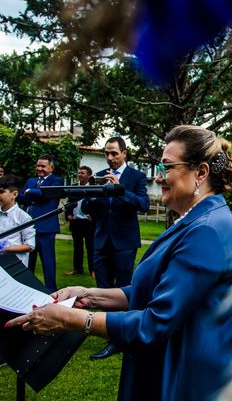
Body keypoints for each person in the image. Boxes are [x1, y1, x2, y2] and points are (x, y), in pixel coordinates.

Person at [6, 125, 232, 401]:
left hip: (188, 379)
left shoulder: (207, 230)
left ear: (201, 173)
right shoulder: (197, 219)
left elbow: (155, 323)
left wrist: (71, 319)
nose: (158, 178)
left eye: (167, 168)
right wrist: (90, 295)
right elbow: (155, 290)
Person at [81, 136, 149, 360]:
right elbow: (89, 206)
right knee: (102, 289)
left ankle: (123, 335)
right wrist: (91, 193)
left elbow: (143, 205)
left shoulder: (136, 176)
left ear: (124, 153)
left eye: (114, 153)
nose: (109, 158)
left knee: (122, 288)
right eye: (106, 154)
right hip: (100, 240)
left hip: (125, 241)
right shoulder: (98, 177)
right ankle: (111, 333)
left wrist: (119, 190)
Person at [0, 174, 36, 371]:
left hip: (14, 269)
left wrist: (7, 248)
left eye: (2, 192)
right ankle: (2, 348)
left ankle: (12, 348)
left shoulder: (23, 218)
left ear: (14, 194)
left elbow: (30, 245)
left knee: (11, 310)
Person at [17, 155, 64, 292]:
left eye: (43, 166)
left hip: (46, 227)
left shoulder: (57, 180)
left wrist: (30, 192)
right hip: (28, 227)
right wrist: (32, 193)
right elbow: (20, 197)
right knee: (28, 260)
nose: (39, 169)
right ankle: (27, 288)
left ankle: (51, 290)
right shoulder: (31, 180)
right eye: (38, 165)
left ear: (51, 168)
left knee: (48, 261)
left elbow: (46, 195)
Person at [64, 166, 95, 276]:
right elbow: (69, 202)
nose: (79, 175)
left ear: (89, 175)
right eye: (79, 173)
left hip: (88, 222)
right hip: (76, 221)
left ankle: (93, 270)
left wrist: (93, 216)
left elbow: (97, 204)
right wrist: (68, 214)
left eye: (82, 173)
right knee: (77, 247)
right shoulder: (73, 187)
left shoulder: (94, 188)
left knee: (90, 247)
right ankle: (77, 269)